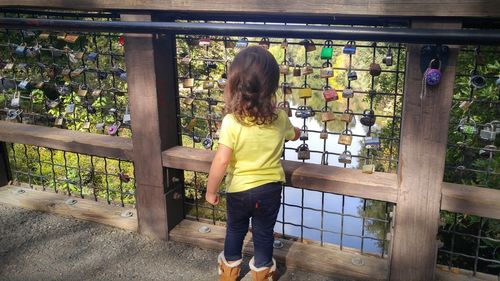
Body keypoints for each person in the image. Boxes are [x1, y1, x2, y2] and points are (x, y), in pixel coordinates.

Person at [205, 46, 300, 281]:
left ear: (235, 84)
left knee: (235, 230)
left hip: (238, 190)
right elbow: (293, 134)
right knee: (264, 233)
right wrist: (296, 132)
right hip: (269, 190)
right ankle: (262, 273)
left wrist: (210, 190)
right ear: (273, 86)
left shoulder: (231, 122)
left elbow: (222, 159)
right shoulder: (280, 118)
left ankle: (229, 273)